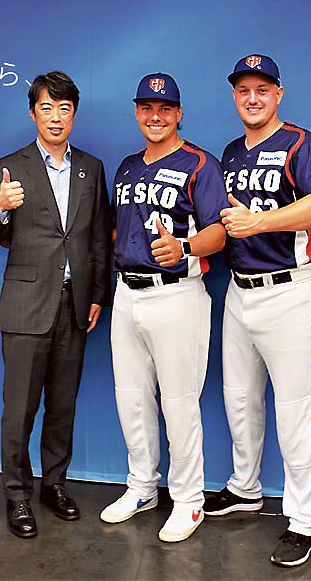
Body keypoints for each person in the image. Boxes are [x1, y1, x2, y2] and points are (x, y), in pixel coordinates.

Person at [202, 54, 311, 567]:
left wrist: (260, 223)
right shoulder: (231, 152)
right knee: (239, 399)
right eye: (244, 90)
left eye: (262, 89)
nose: (253, 98)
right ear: (235, 97)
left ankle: (304, 519)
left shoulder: (301, 144)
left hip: (290, 289)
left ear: (278, 94)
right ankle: (244, 488)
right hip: (241, 291)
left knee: (294, 408)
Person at [0, 71, 111, 539]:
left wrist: (97, 295)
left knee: (62, 406)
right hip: (25, 306)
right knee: (19, 409)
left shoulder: (91, 168)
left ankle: (54, 484)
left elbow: (96, 238)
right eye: (47, 108)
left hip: (75, 307)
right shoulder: (10, 167)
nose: (56, 117)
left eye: (65, 108)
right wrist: (0, 208)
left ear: (74, 113)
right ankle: (17, 495)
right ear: (33, 113)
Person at [99, 73, 228, 542]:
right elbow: (118, 229)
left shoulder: (200, 164)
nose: (156, 117)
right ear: (137, 112)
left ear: (178, 114)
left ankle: (189, 499)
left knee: (178, 403)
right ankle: (142, 487)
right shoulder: (128, 166)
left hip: (177, 294)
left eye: (165, 109)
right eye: (147, 108)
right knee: (131, 398)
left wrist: (188, 247)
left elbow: (220, 230)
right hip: (127, 292)